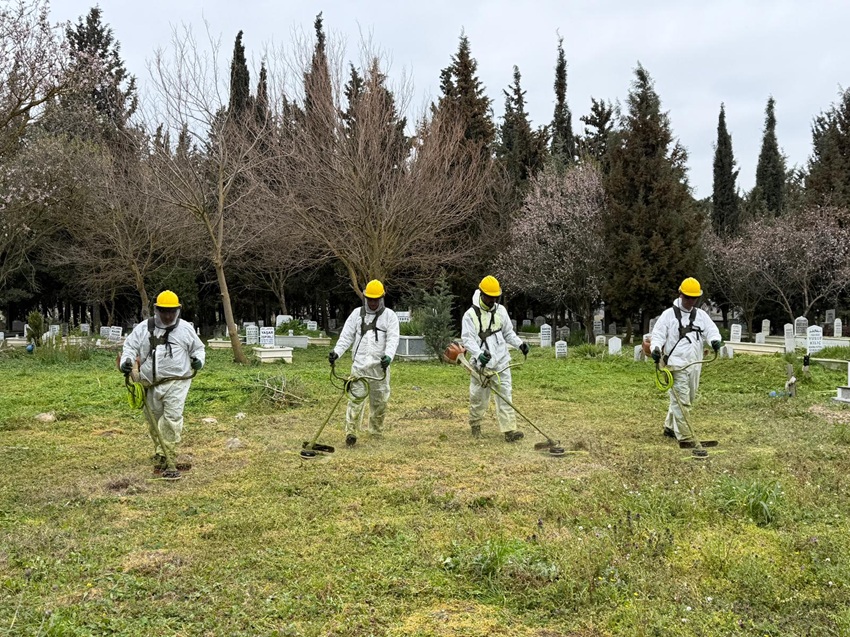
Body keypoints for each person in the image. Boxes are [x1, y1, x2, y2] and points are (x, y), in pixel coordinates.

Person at [119, 290, 205, 480]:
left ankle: (170, 457)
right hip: (150, 383)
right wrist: (126, 361)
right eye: (164, 311)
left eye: (172, 312)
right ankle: (161, 451)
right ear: (156, 310)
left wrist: (198, 359)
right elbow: (130, 347)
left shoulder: (185, 329)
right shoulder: (144, 328)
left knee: (172, 418)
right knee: (154, 422)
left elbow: (198, 348)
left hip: (177, 382)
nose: (168, 316)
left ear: (178, 311)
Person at [650, 277, 722, 450]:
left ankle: (669, 427)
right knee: (682, 401)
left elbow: (712, 330)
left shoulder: (701, 316)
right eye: (687, 297)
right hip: (676, 365)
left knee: (687, 398)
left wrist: (714, 340)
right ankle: (685, 436)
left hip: (695, 363)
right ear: (680, 294)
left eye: (694, 298)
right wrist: (656, 348)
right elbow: (658, 335)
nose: (690, 301)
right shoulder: (668, 315)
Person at [329, 279, 400, 447]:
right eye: (370, 299)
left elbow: (393, 339)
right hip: (359, 367)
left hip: (379, 368)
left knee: (380, 401)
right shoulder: (356, 314)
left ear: (382, 298)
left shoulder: (390, 316)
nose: (373, 302)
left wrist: (388, 356)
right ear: (365, 298)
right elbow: (346, 337)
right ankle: (351, 432)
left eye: (376, 299)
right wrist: (336, 353)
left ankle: (376, 431)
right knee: (355, 400)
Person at [461, 275, 529, 442]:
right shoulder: (470, 315)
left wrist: (520, 344)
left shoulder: (501, 311)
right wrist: (478, 355)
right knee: (478, 398)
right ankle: (475, 425)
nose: (492, 300)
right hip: (481, 366)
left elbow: (508, 333)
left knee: (506, 395)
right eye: (490, 297)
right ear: (482, 294)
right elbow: (468, 339)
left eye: (495, 297)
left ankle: (509, 431)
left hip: (501, 361)